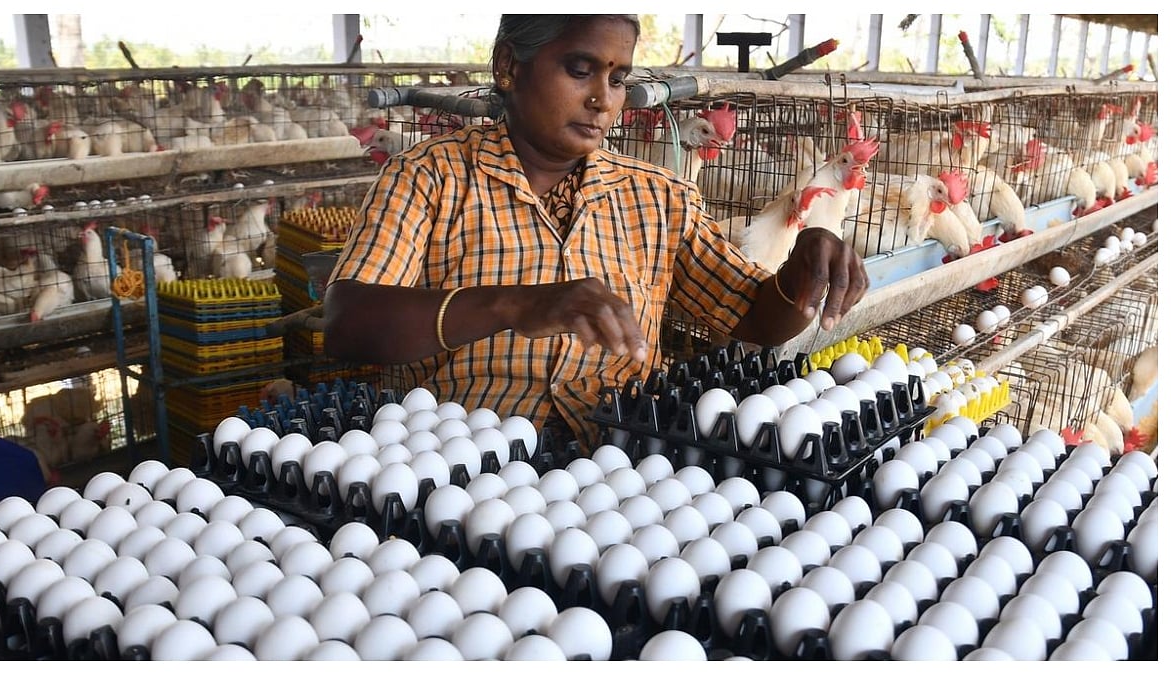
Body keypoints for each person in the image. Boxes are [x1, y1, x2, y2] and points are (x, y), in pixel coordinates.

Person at [324, 14, 868, 449]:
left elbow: (751, 314)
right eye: (579, 70)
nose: (603, 99)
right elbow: (349, 323)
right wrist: (510, 306)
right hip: (461, 463)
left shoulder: (659, 198)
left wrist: (803, 269)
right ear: (509, 66)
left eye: (617, 78)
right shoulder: (431, 177)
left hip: (619, 458)